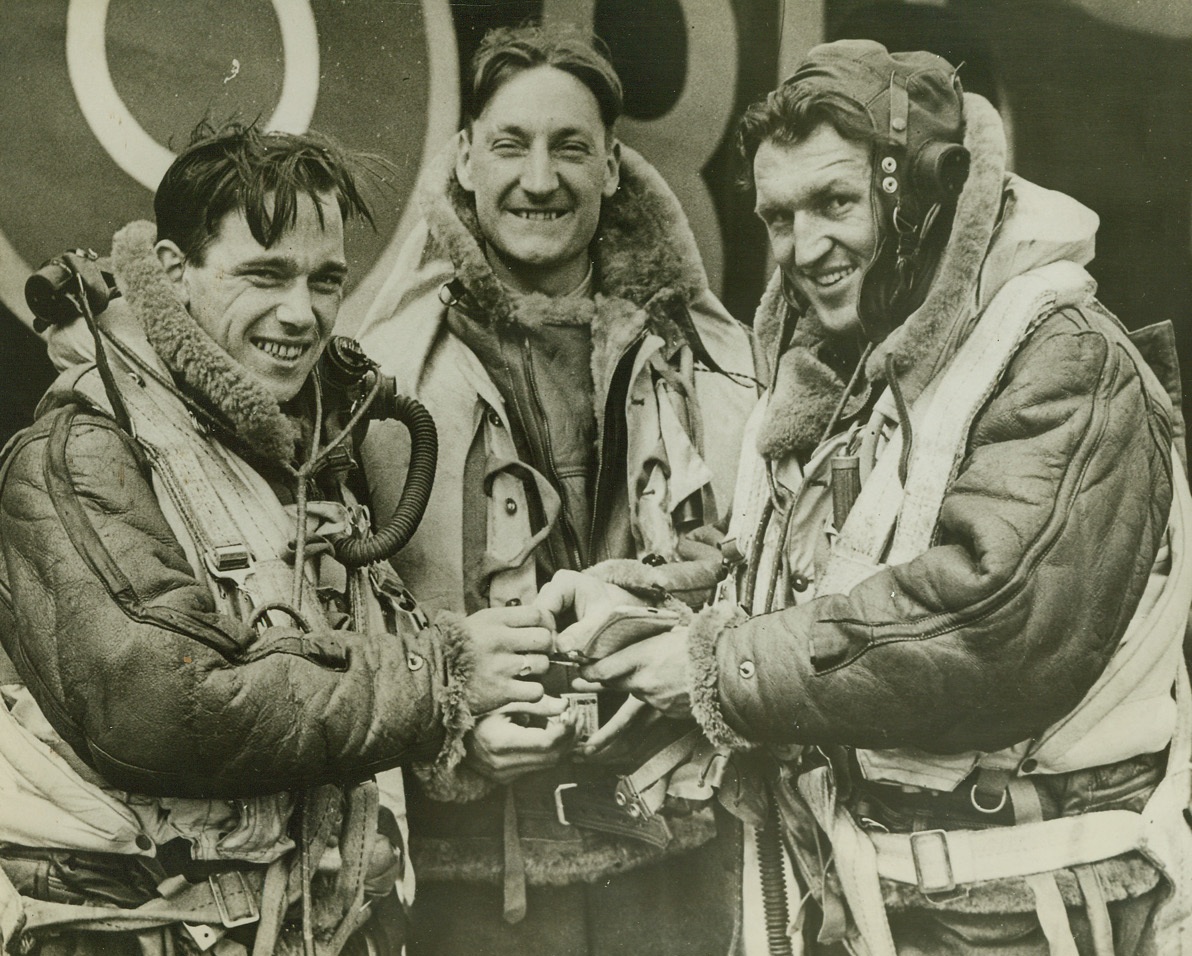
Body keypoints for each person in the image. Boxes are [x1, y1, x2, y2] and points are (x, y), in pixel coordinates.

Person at [543, 39, 1192, 955]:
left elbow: (987, 622)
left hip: (1026, 911)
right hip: (878, 899)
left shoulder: (1062, 357)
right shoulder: (853, 369)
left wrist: (715, 666)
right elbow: (816, 590)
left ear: (920, 191)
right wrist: (652, 609)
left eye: (835, 202)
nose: (804, 249)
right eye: (778, 217)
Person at [0, 123, 555, 956]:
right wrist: (440, 678)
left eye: (326, 280)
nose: (302, 313)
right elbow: (167, 708)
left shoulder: (304, 442)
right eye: (265, 274)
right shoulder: (81, 453)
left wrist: (468, 718)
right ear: (173, 273)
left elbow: (344, 672)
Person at [355, 21, 757, 956]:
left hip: (672, 860)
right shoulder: (378, 377)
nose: (541, 179)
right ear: (462, 159)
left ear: (614, 167)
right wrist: (448, 730)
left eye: (570, 146)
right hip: (474, 884)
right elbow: (346, 633)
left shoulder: (711, 367)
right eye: (510, 144)